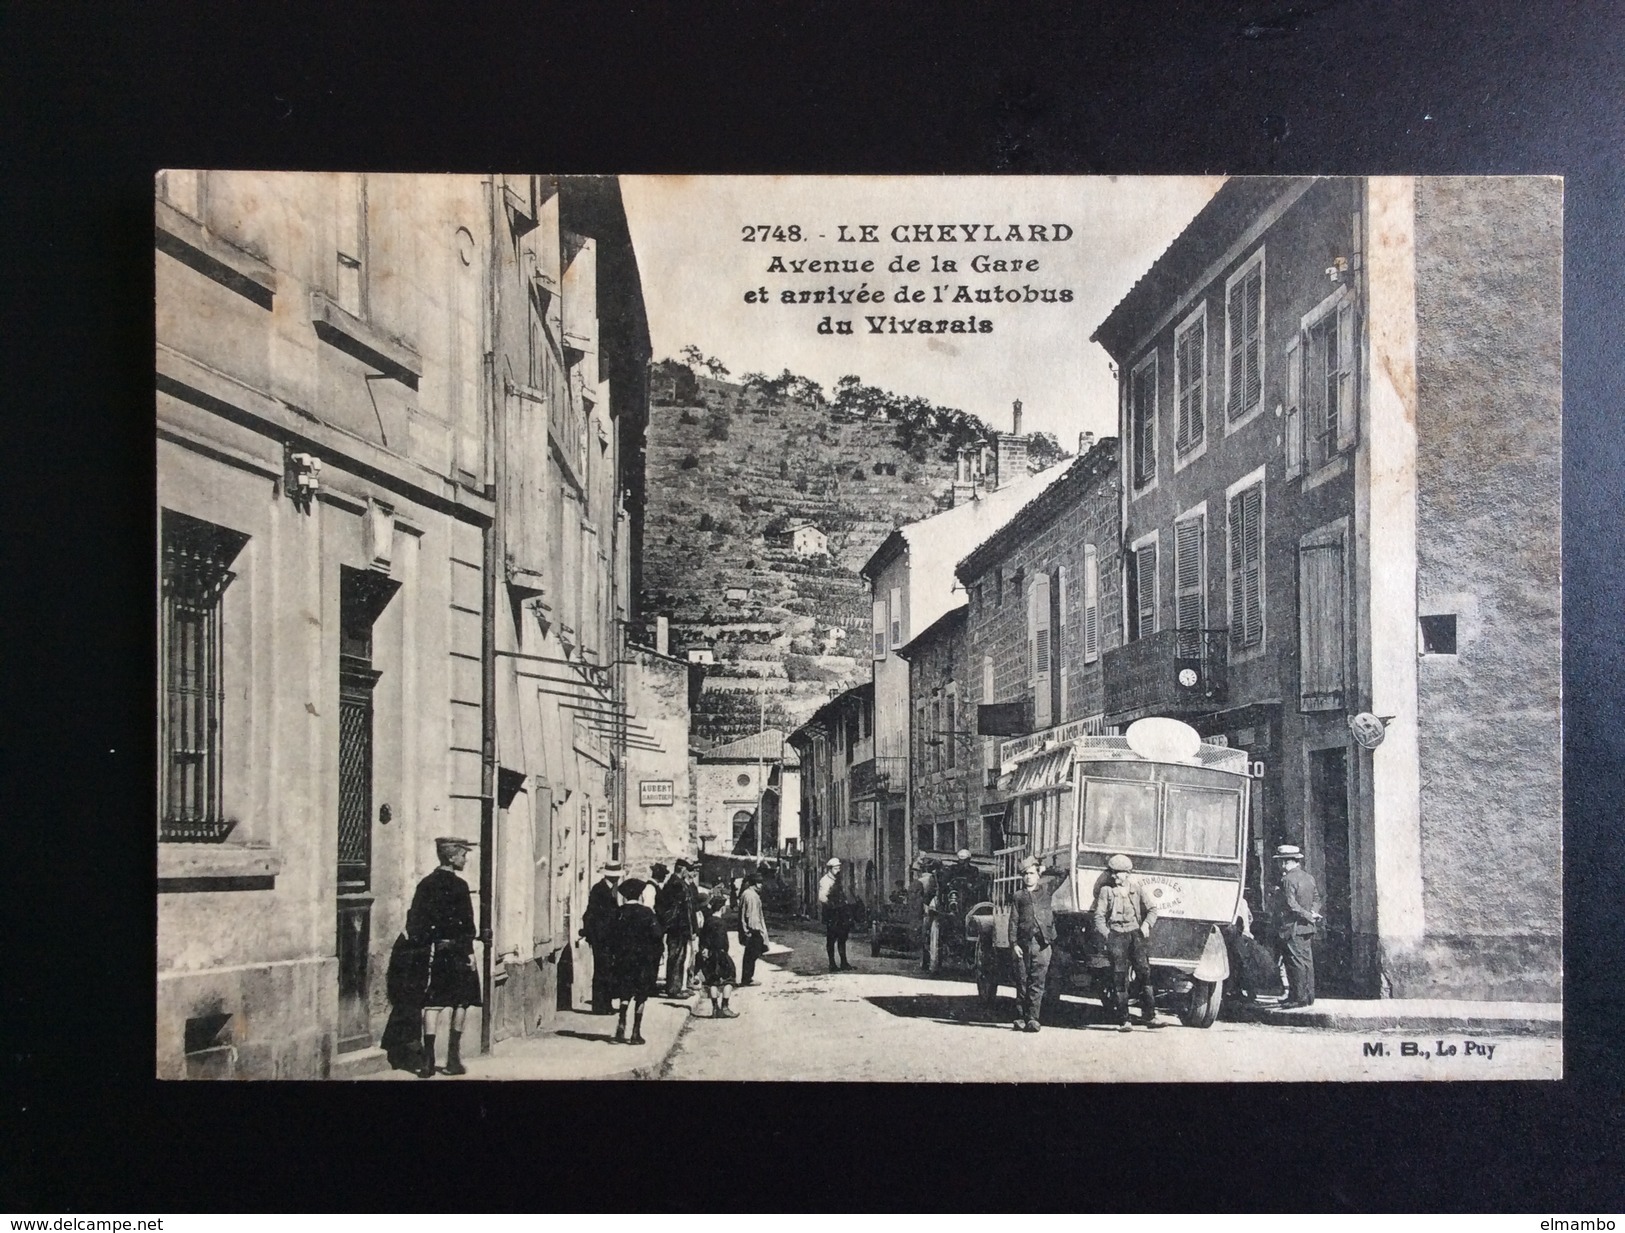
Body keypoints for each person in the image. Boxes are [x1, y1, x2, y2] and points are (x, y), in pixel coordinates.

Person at [401, 837, 483, 1077]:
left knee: (432, 1005)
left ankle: (427, 1062)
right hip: (457, 951)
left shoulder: (425, 884)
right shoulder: (459, 886)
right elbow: (467, 924)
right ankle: (453, 1060)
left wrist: (426, 945)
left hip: (433, 951)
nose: (465, 859)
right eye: (462, 855)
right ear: (451, 857)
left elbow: (414, 922)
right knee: (461, 1002)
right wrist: (469, 953)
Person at [1093, 853, 1161, 1031]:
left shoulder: (1136, 889)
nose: (1114, 876)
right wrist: (1108, 935)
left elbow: (1153, 909)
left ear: (1127, 873)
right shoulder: (1106, 891)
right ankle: (1124, 1020)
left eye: (1118, 873)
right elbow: (1099, 917)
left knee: (1144, 973)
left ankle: (1150, 1016)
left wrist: (1146, 925)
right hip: (1116, 935)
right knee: (1119, 977)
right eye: (1113, 873)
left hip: (1135, 935)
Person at [1009, 856, 1065, 1033]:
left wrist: (1044, 868)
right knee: (1022, 981)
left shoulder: (1046, 890)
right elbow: (1013, 921)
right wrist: (1013, 944)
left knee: (1038, 982)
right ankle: (1020, 1018)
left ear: (1037, 876)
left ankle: (1033, 1019)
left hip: (1042, 944)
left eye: (1032, 873)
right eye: (1025, 874)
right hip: (1024, 945)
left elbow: (1063, 873)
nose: (1028, 877)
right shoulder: (1018, 896)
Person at [606, 877, 665, 1044]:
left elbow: (610, 937)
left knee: (625, 993)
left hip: (624, 960)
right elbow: (657, 935)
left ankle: (621, 1024)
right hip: (643, 961)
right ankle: (635, 1032)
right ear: (639, 894)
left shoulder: (618, 912)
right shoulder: (647, 913)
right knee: (641, 995)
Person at [1271, 844, 1323, 1008]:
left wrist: (1308, 915)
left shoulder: (1287, 880)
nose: (1280, 866)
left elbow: (1291, 905)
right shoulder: (1309, 877)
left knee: (1294, 963)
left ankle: (1297, 998)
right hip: (1306, 928)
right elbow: (1317, 899)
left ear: (1286, 862)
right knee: (1307, 962)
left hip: (1292, 928)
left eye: (1281, 862)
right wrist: (1313, 913)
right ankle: (1308, 997)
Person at [580, 861, 622, 1014]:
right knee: (602, 971)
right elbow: (597, 916)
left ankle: (606, 1004)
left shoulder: (608, 889)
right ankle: (600, 1006)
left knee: (606, 970)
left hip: (606, 938)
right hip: (602, 938)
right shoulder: (600, 890)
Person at [696, 886, 740, 1018]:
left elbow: (703, 938)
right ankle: (725, 1007)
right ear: (722, 908)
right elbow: (723, 942)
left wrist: (705, 950)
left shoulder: (708, 921)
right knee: (729, 979)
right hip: (720, 954)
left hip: (709, 955)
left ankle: (715, 1008)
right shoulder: (720, 923)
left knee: (713, 980)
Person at [656, 860, 695, 997]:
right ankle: (674, 989)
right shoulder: (676, 884)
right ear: (682, 869)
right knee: (676, 958)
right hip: (677, 928)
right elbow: (676, 910)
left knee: (680, 957)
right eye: (687, 869)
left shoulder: (677, 883)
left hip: (680, 928)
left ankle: (677, 987)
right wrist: (680, 926)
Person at [818, 857, 853, 972]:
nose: (838, 870)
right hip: (831, 913)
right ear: (830, 868)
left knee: (842, 938)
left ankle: (844, 962)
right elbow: (822, 898)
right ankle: (832, 964)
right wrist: (832, 906)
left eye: (839, 868)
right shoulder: (825, 880)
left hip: (841, 912)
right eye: (836, 868)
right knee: (831, 939)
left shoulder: (839, 880)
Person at [738, 870, 770, 986]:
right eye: (760, 883)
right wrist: (755, 931)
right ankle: (747, 978)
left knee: (751, 955)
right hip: (753, 930)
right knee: (751, 955)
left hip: (751, 930)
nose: (761, 885)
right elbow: (751, 916)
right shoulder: (751, 896)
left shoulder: (749, 894)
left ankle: (747, 977)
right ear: (755, 884)